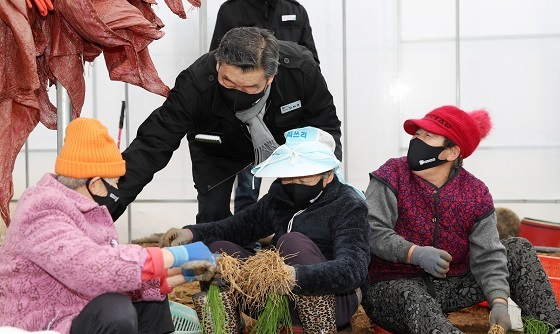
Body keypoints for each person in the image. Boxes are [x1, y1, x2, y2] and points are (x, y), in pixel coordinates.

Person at [0, 118, 217, 334]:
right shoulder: (43, 210)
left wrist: (185, 272)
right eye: (114, 184)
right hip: (39, 323)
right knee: (116, 311)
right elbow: (91, 267)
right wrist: (176, 255)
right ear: (94, 183)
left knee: (150, 301)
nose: (117, 191)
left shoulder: (85, 210)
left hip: (73, 313)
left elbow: (119, 277)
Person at [113, 26, 341, 226]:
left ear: (270, 78)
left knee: (303, 202)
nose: (236, 94)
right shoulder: (195, 83)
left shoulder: (300, 71)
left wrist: (325, 174)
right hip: (217, 147)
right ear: (218, 63)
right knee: (212, 216)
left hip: (284, 146)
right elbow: (153, 142)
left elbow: (325, 124)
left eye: (250, 88)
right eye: (227, 82)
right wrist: (110, 198)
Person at [361, 105, 560, 333]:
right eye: (417, 134)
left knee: (517, 249)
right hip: (391, 286)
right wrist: (413, 253)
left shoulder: (475, 193)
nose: (417, 141)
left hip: (452, 286)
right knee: (412, 298)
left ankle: (550, 328)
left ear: (452, 153)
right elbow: (371, 229)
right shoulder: (392, 175)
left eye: (428, 135)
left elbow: (488, 254)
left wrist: (498, 301)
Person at [160, 126, 369, 333]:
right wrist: (191, 233)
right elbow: (237, 227)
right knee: (219, 251)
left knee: (292, 242)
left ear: (329, 175)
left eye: (304, 178)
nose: (295, 184)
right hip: (276, 298)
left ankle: (307, 327)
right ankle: (226, 325)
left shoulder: (347, 204)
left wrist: (296, 276)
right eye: (288, 177)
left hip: (332, 302)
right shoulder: (280, 196)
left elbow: (353, 268)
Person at [210, 0, 321, 216]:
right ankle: (245, 238)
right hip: (250, 109)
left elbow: (312, 61)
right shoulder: (231, 10)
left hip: (289, 111)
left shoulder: (295, 10)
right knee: (248, 182)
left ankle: (289, 231)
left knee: (295, 176)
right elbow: (216, 58)